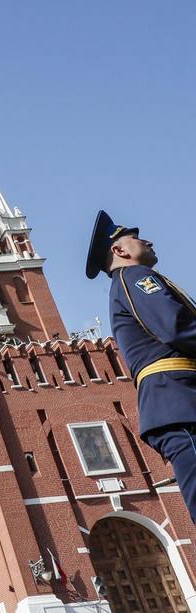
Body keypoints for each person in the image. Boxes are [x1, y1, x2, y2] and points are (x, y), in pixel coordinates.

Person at [88, 210, 196, 524]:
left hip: (178, 402)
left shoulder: (127, 282)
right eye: (136, 238)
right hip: (181, 404)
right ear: (119, 250)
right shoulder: (136, 277)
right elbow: (175, 327)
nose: (146, 240)